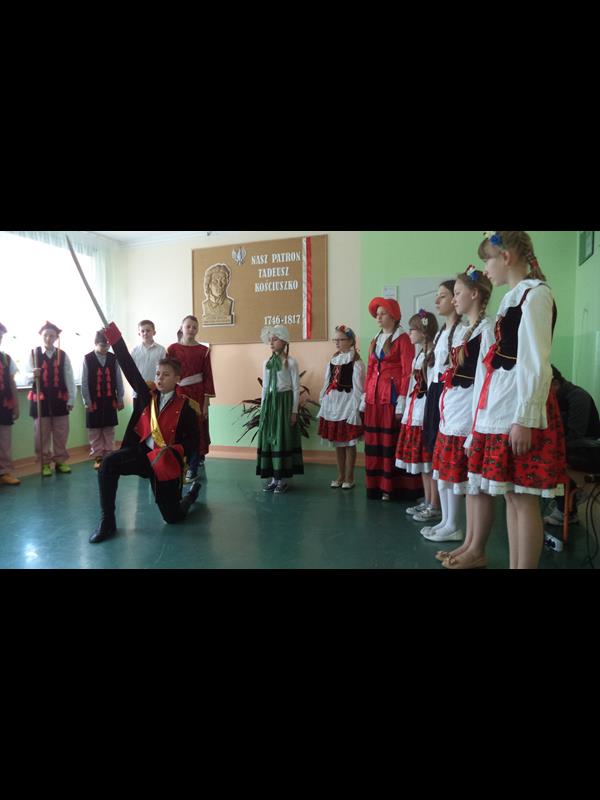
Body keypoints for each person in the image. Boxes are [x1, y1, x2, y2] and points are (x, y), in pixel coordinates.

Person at [464, 231, 567, 570]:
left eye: (487, 260)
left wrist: (525, 418)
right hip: (505, 410)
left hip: (523, 413)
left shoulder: (535, 295)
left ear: (505, 257)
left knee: (524, 499)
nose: (485, 269)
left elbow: (535, 362)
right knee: (511, 495)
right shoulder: (512, 298)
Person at [89, 321, 201, 544]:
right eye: (158, 374)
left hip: (165, 464)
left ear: (177, 379)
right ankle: (107, 522)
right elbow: (128, 366)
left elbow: (193, 442)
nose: (159, 378)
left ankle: (190, 495)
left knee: (173, 517)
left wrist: (175, 452)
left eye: (166, 375)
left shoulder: (187, 408)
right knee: (108, 464)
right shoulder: (146, 395)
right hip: (142, 456)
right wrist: (114, 336)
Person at [423, 267, 494, 562]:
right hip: (452, 411)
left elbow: (485, 380)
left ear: (474, 294)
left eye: (457, 293)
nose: (453, 300)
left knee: (471, 483)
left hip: (467, 416)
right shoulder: (467, 331)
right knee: (454, 476)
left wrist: (476, 424)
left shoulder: (487, 330)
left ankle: (471, 543)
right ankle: (464, 540)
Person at [360, 297, 420, 502]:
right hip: (374, 399)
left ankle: (393, 487)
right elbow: (370, 369)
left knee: (390, 443)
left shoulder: (403, 339)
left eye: (382, 313)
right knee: (375, 442)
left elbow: (407, 371)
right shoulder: (375, 340)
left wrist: (402, 399)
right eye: (377, 314)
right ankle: (376, 485)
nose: (378, 317)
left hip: (391, 398)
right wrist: (365, 395)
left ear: (393, 316)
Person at [419, 280, 465, 521]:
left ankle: (444, 513)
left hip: (449, 393)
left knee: (446, 453)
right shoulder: (440, 333)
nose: (437, 301)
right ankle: (438, 508)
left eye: (443, 296)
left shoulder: (462, 331)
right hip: (435, 392)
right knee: (435, 450)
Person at [395, 310, 440, 516]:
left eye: (413, 329)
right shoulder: (419, 355)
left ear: (424, 331)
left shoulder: (434, 355)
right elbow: (413, 385)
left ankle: (435, 504)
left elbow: (432, 388)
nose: (410, 333)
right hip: (415, 409)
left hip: (425, 412)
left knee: (429, 462)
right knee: (422, 462)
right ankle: (427, 500)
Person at [543, 366, 600, 526]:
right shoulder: (556, 399)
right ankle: (567, 507)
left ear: (554, 383)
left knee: (554, 457)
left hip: (589, 451)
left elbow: (576, 434)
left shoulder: (578, 397)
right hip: (573, 448)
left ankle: (566, 508)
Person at [257, 324, 304, 494]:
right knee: (270, 438)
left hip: (284, 403)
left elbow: (296, 388)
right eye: (270, 340)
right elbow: (265, 387)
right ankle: (273, 478)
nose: (271, 343)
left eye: (275, 339)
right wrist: (263, 408)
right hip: (270, 404)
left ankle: (281, 479)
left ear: (284, 342)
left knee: (281, 437)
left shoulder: (291, 362)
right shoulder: (267, 363)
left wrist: (294, 411)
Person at [167, 315, 215, 481]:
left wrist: (206, 403)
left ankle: (192, 467)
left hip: (197, 394)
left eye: (194, 327)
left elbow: (208, 376)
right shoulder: (172, 349)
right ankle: (178, 463)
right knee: (177, 428)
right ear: (182, 328)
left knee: (196, 428)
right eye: (188, 326)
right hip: (178, 393)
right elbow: (167, 372)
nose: (191, 330)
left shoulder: (203, 350)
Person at [317, 325, 365, 490]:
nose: (337, 343)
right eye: (335, 340)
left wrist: (355, 409)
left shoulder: (356, 363)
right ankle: (340, 475)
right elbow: (327, 382)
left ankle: (349, 477)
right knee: (338, 442)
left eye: (341, 339)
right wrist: (323, 399)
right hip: (333, 405)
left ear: (350, 341)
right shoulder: (333, 361)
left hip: (347, 405)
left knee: (349, 443)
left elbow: (358, 388)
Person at [26, 321, 76, 477]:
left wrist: (71, 400)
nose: (48, 338)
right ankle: (45, 463)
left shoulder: (63, 355)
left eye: (52, 336)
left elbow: (69, 378)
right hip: (40, 401)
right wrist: (32, 374)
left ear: (56, 337)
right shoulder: (34, 354)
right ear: (41, 336)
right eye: (46, 335)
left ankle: (60, 461)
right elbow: (25, 377)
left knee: (61, 433)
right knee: (41, 435)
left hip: (60, 399)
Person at [81, 330, 125, 470]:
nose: (105, 348)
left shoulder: (113, 358)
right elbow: (84, 382)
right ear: (95, 343)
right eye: (102, 345)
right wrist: (87, 401)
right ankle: (98, 457)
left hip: (110, 400)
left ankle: (109, 456)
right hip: (94, 401)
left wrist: (120, 398)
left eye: (108, 345)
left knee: (108, 429)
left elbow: (118, 379)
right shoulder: (88, 359)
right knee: (95, 430)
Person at [130, 319, 167, 412]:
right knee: (139, 418)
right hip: (138, 391)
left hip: (155, 390)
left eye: (148, 330)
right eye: (142, 331)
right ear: (139, 333)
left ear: (154, 332)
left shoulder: (161, 350)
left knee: (155, 416)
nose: (145, 333)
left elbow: (163, 370)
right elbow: (131, 371)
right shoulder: (134, 351)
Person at [0, 322, 21, 486]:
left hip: (4, 406)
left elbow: (12, 383)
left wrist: (16, 405)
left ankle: (4, 472)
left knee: (4, 441)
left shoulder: (6, 359)